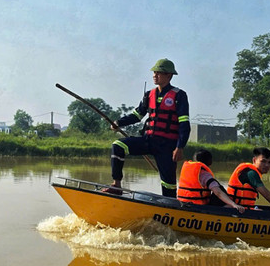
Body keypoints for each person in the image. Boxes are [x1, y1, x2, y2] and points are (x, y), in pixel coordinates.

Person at [105, 58, 190, 197]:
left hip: (167, 146)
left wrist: (179, 147)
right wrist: (119, 123)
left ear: (169, 75)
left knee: (168, 185)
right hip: (148, 140)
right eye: (154, 72)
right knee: (118, 145)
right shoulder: (149, 94)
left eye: (159, 73)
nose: (155, 75)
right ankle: (117, 185)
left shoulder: (179, 95)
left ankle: (169, 209)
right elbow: (137, 115)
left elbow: (184, 124)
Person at [177, 149, 246, 213]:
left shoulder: (188, 171)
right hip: (198, 207)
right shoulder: (205, 175)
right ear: (210, 162)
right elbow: (218, 192)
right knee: (221, 189)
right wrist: (234, 205)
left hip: (182, 203)